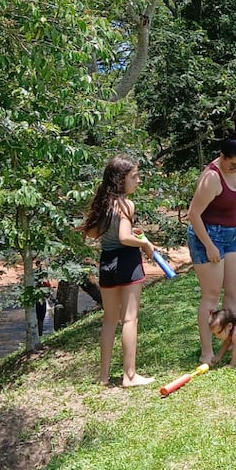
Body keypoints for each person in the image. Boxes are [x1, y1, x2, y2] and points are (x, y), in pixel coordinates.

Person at [79, 155, 155, 387]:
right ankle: (130, 376)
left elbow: (91, 234)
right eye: (134, 177)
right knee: (130, 318)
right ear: (120, 180)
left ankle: (103, 377)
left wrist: (131, 232)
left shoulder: (103, 203)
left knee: (110, 319)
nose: (138, 181)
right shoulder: (126, 204)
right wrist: (144, 243)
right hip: (127, 262)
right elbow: (123, 237)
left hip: (107, 262)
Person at [187, 135, 236, 365]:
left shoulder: (235, 168)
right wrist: (209, 245)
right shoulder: (211, 177)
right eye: (233, 164)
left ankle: (230, 341)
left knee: (235, 288)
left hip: (232, 234)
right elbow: (193, 214)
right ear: (222, 157)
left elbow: (232, 199)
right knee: (211, 294)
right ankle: (206, 351)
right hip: (209, 236)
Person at [34, 261, 53, 337]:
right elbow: (49, 293)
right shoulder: (45, 283)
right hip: (41, 302)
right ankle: (40, 335)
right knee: (40, 319)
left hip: (38, 302)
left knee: (39, 319)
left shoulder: (36, 283)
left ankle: (39, 335)